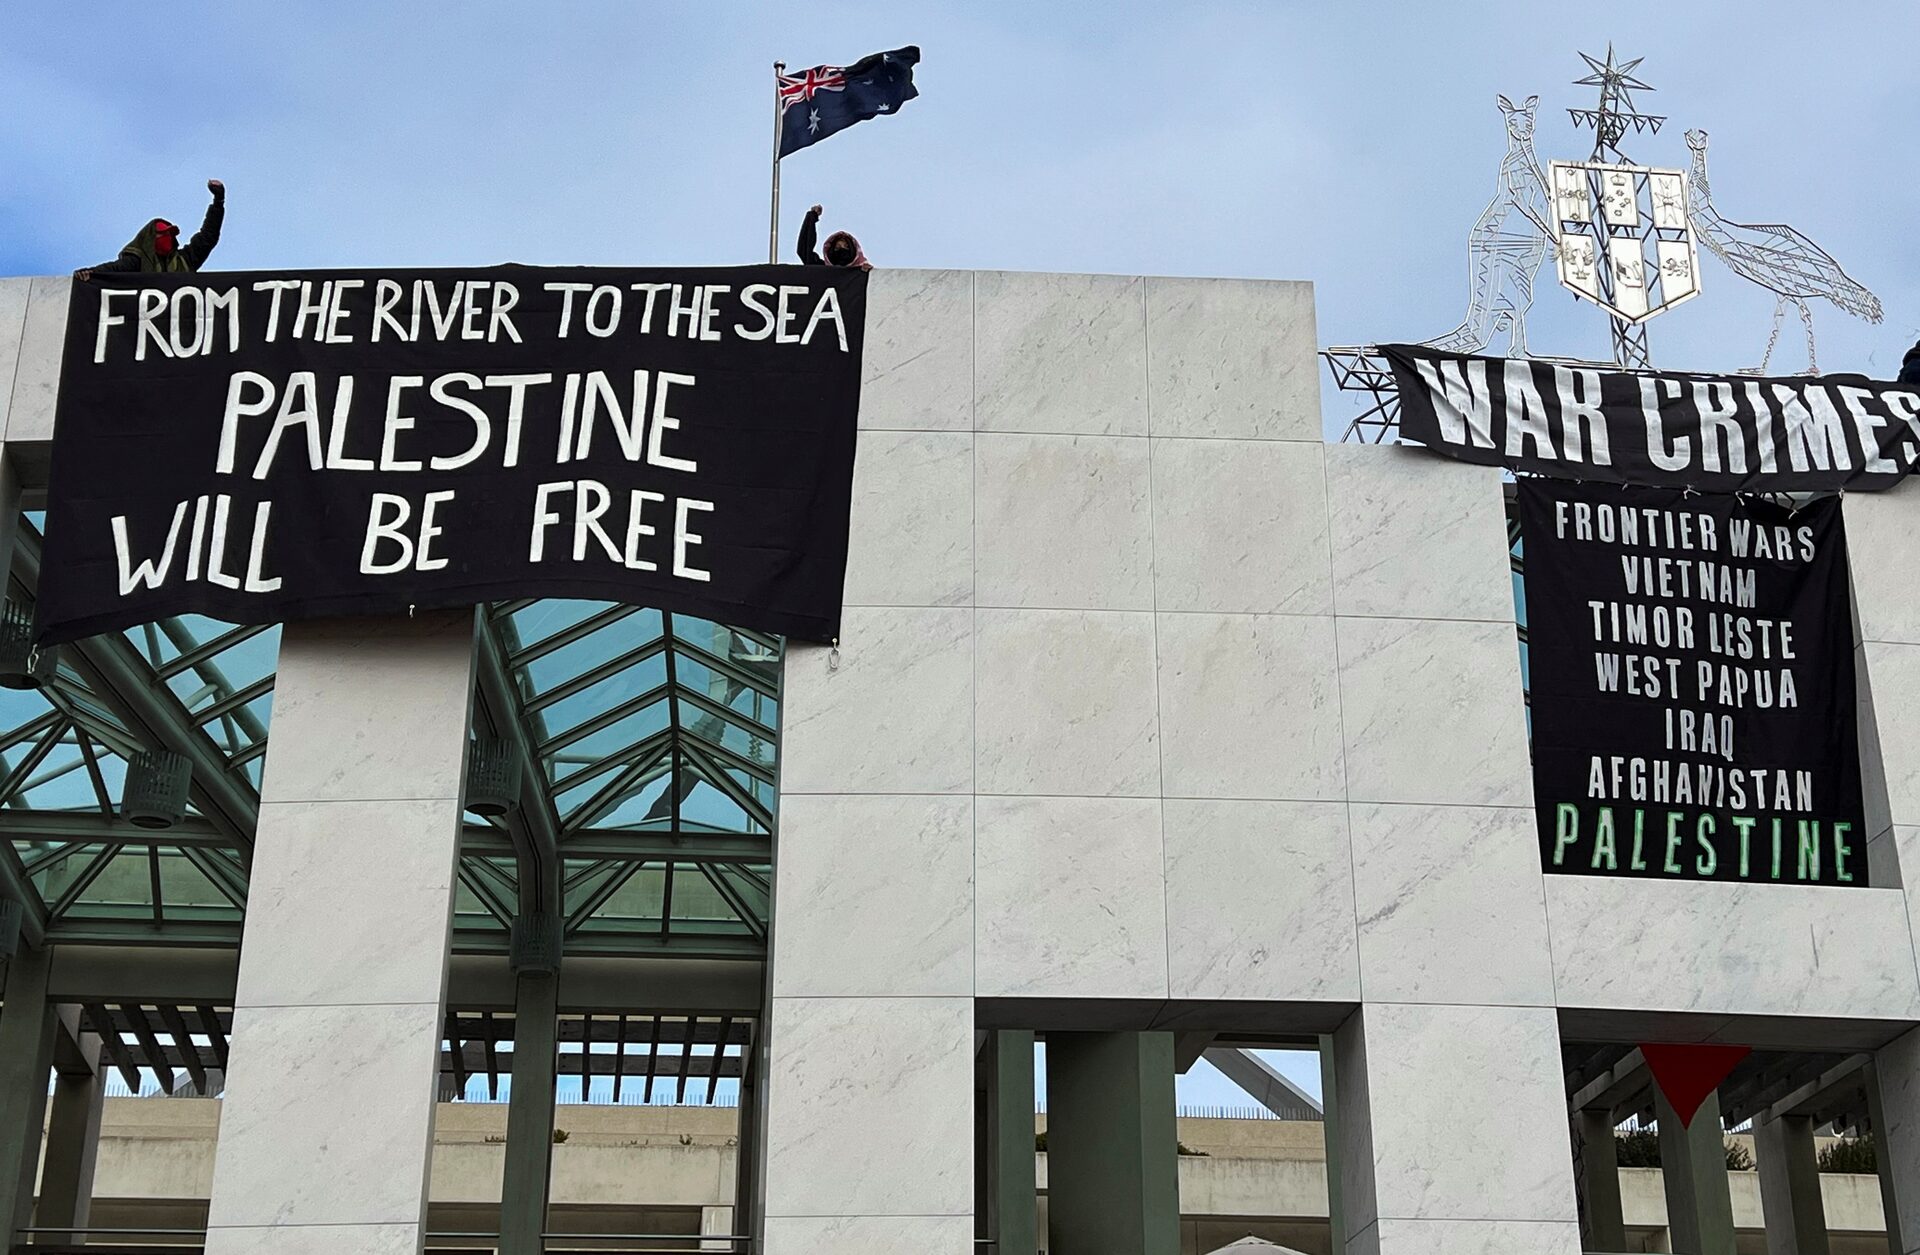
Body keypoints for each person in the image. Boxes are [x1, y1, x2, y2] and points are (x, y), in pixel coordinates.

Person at [79, 180, 225, 278]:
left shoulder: (185, 261)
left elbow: (208, 236)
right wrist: (90, 273)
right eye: (163, 234)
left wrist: (218, 202)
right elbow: (113, 270)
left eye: (170, 234)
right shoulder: (137, 263)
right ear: (149, 240)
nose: (168, 238)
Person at [796, 203, 870, 270]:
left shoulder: (862, 271)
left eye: (846, 246)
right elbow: (804, 252)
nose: (842, 249)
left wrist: (865, 272)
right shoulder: (824, 270)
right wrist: (811, 218)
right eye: (837, 247)